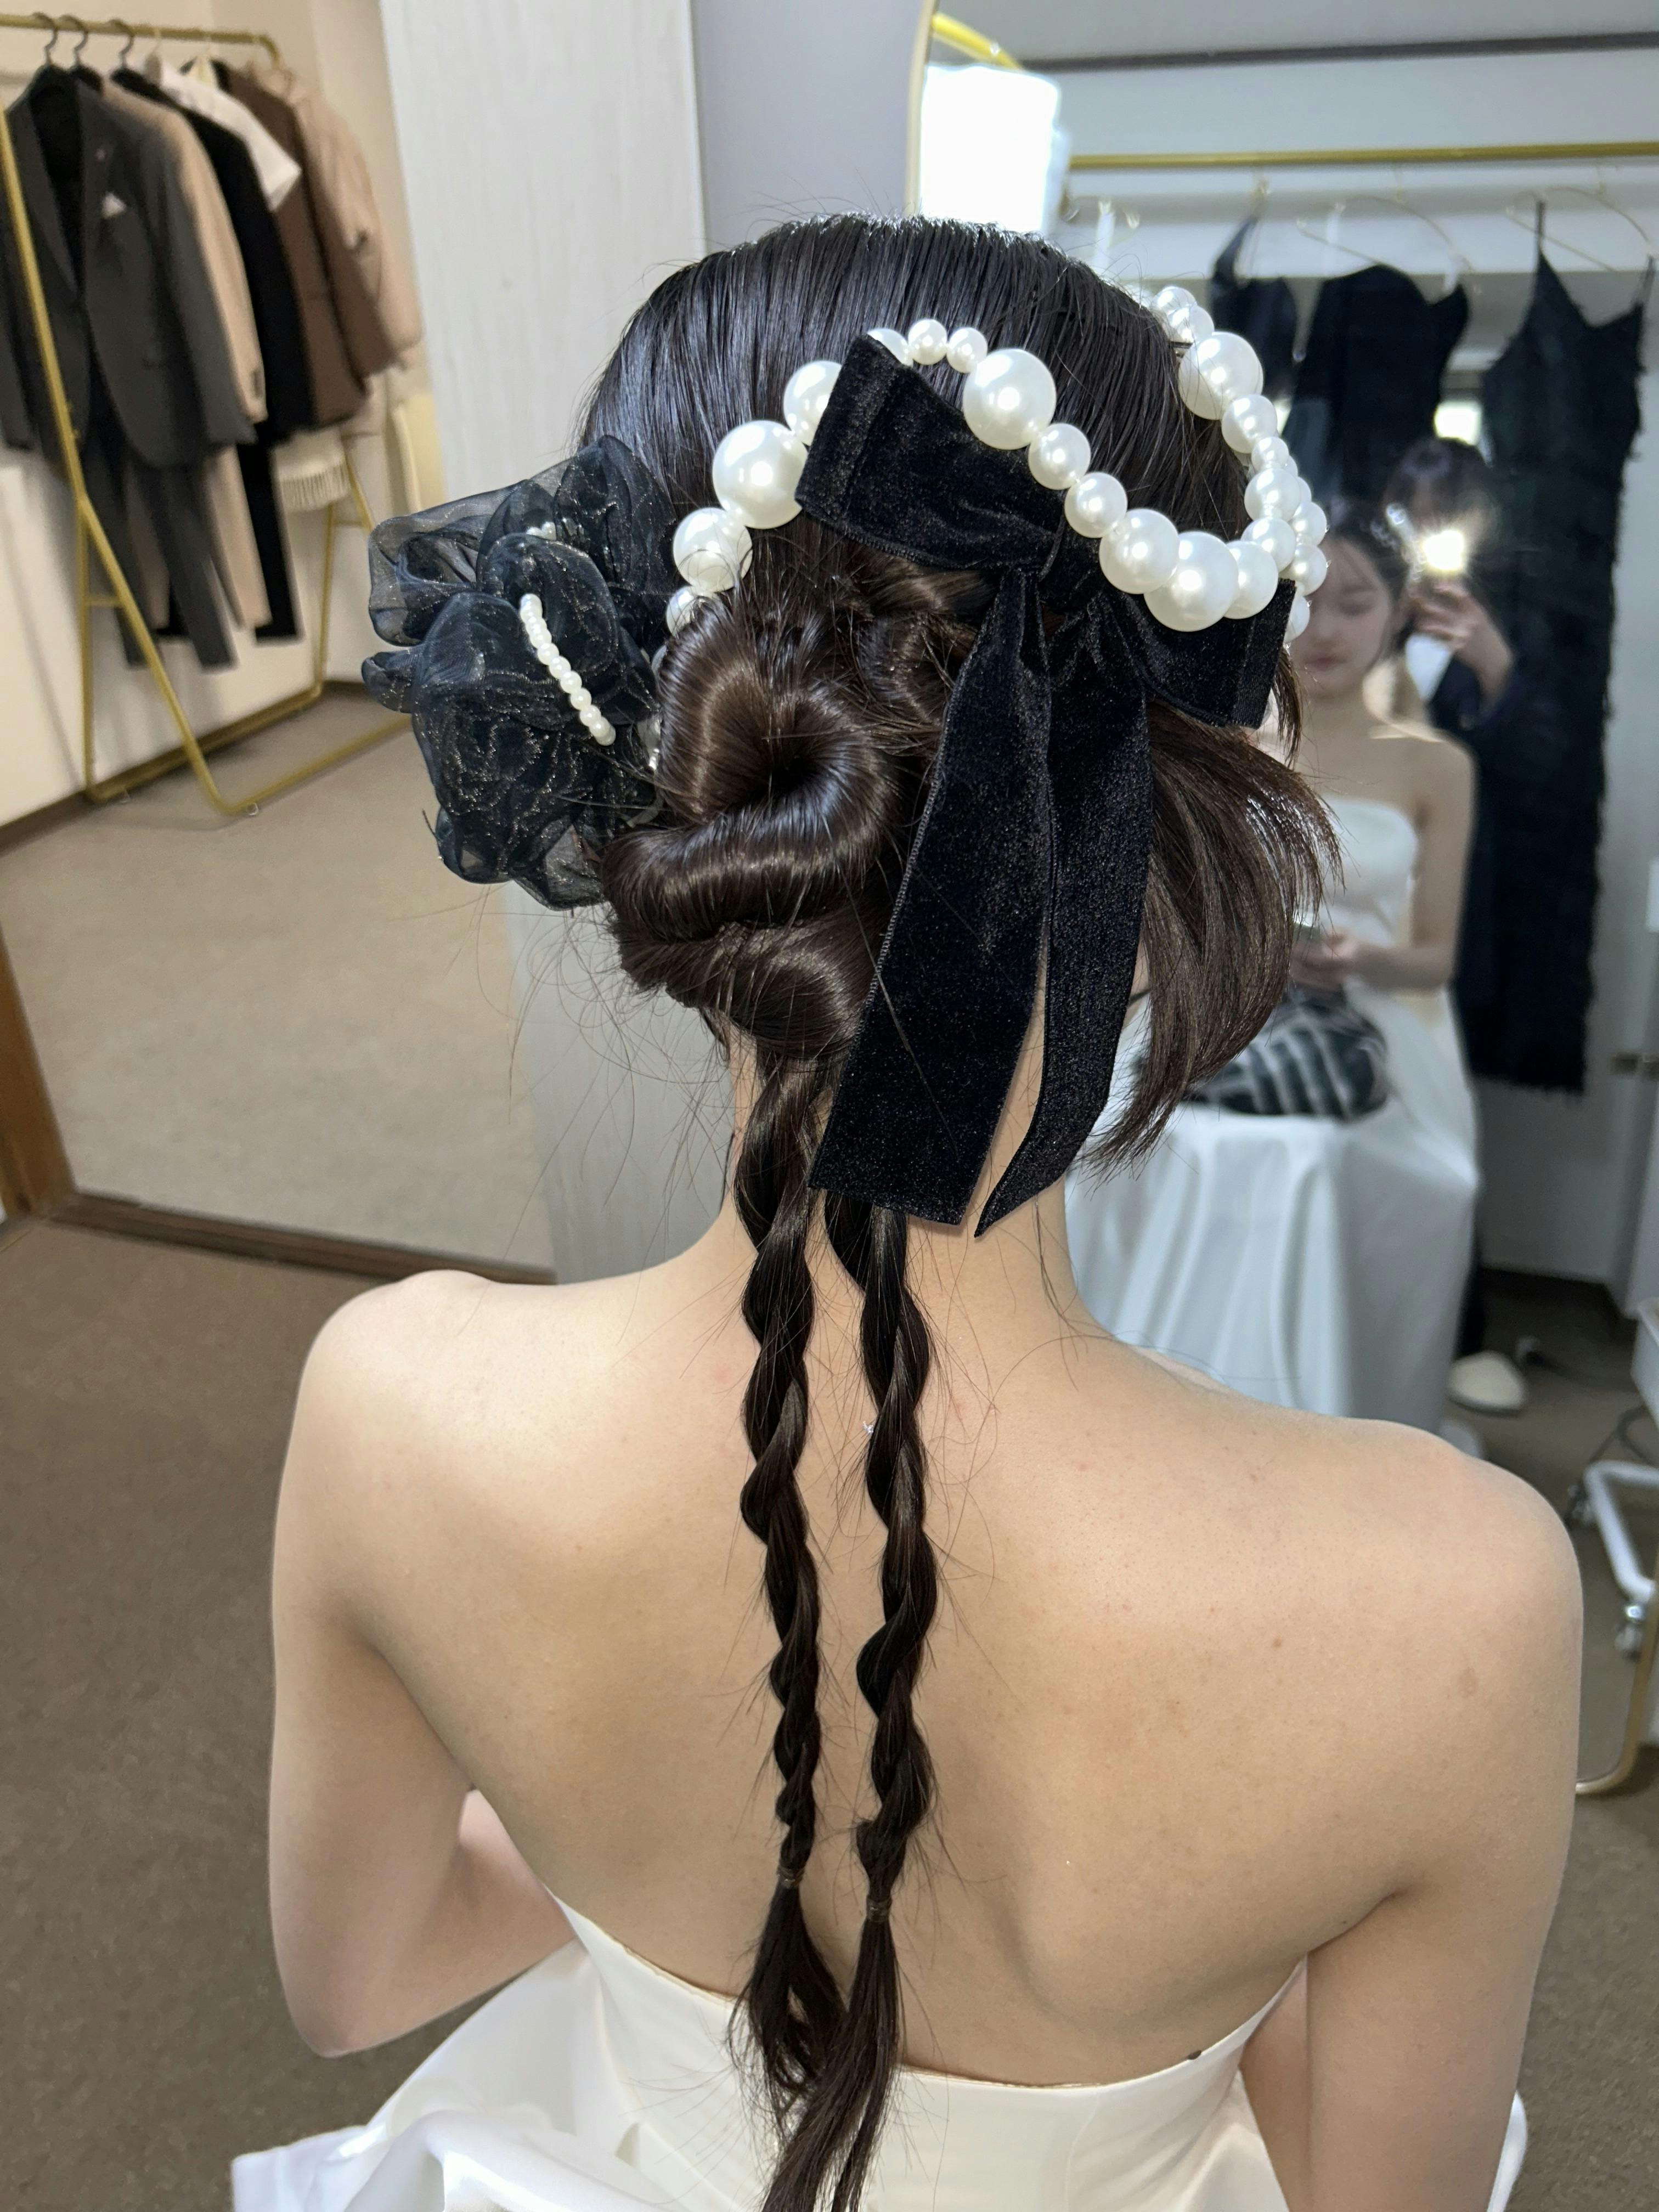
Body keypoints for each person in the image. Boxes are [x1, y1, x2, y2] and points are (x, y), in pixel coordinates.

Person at [236, 221, 1578, 2212]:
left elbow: (353, 1976)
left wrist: (607, 1833)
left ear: (670, 799)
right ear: (1183, 853)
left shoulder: (389, 1404)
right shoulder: (1449, 1606)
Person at [1066, 501, 1482, 1435]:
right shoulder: (1223, 735)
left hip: (1372, 1018)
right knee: (1115, 1131)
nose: (1326, 629)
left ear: (1399, 612)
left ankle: (1306, 1420)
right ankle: (1129, 1412)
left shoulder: (1436, 767)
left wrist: (1361, 960)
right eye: (1307, 600)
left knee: (1309, 1165)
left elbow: (1438, 955)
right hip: (1222, 1002)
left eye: (1356, 604)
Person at [1381, 437, 1534, 1419]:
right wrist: (1377, 626)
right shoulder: (1358, 609)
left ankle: (1456, 1328)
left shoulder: (1505, 624)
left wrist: (1498, 669)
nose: (1430, 533)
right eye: (1413, 513)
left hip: (1451, 916)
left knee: (1442, 1119)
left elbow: (1531, 788)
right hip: (1355, 897)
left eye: (1448, 515)